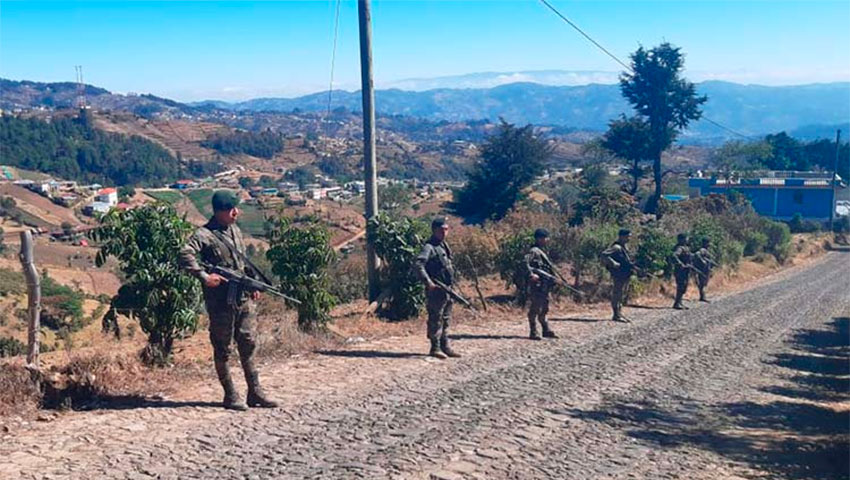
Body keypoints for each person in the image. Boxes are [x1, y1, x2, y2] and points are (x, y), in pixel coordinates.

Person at [179, 190, 278, 411]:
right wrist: (204, 276)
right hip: (220, 302)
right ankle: (231, 394)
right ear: (219, 212)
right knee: (223, 347)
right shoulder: (204, 235)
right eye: (231, 209)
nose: (236, 212)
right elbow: (184, 254)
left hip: (242, 299)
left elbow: (242, 264)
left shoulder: (235, 230)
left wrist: (252, 284)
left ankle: (255, 391)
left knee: (248, 343)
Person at [415, 217, 461, 359]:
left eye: (446, 230)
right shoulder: (429, 247)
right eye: (441, 230)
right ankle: (435, 347)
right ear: (434, 230)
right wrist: (429, 283)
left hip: (447, 289)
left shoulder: (443, 246)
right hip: (437, 290)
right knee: (436, 318)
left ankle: (445, 345)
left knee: (446, 318)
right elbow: (418, 264)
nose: (444, 233)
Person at [525, 228, 559, 340]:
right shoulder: (534, 251)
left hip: (544, 285)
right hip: (537, 285)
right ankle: (533, 331)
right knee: (535, 308)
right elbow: (525, 263)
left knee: (544, 307)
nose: (547, 240)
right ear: (539, 239)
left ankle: (545, 329)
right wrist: (532, 275)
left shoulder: (542, 251)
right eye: (545, 238)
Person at [601, 229, 635, 323]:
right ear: (621, 236)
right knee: (617, 293)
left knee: (621, 294)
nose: (629, 238)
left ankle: (619, 313)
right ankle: (616, 314)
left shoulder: (624, 247)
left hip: (624, 274)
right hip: (618, 274)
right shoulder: (616, 247)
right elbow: (604, 255)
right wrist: (613, 263)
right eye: (627, 236)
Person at [670, 233, 692, 310]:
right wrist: (680, 264)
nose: (687, 240)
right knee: (681, 286)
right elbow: (674, 255)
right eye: (685, 238)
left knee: (684, 286)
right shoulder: (679, 248)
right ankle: (677, 303)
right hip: (681, 271)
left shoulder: (685, 248)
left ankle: (680, 302)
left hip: (686, 270)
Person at [693, 238, 714, 302]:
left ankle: (703, 296)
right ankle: (702, 297)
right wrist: (703, 261)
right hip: (703, 269)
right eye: (708, 243)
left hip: (706, 269)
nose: (709, 244)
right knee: (702, 283)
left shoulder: (706, 250)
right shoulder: (702, 250)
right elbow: (697, 254)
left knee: (704, 283)